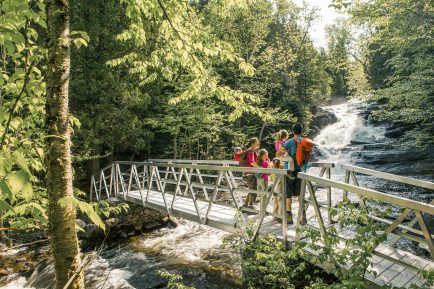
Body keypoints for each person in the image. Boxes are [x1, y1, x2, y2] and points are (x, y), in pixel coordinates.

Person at [282, 123, 305, 224]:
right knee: (300, 195)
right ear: (302, 132)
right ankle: (303, 217)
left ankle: (289, 217)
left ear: (292, 132)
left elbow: (280, 153)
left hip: (290, 171)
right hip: (301, 171)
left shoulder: (290, 142)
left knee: (288, 194)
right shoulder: (305, 141)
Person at [241, 137, 260, 209]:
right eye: (256, 142)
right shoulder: (251, 151)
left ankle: (245, 204)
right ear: (253, 143)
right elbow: (252, 162)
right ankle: (251, 206)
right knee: (253, 189)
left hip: (247, 173)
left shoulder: (248, 151)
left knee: (251, 189)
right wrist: (259, 167)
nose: (258, 143)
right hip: (251, 173)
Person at [256, 149, 270, 213]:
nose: (267, 156)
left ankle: (261, 209)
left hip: (259, 179)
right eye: (266, 155)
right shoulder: (265, 162)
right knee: (264, 195)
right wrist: (268, 162)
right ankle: (263, 210)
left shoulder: (258, 162)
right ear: (263, 155)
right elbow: (270, 168)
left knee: (261, 195)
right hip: (264, 179)